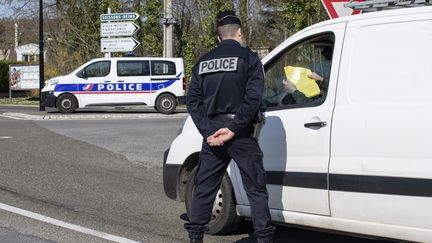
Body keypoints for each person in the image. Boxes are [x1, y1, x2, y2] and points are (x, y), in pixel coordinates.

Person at [185, 10, 276, 243]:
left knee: (205, 188)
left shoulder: (203, 62)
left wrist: (208, 131)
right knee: (255, 188)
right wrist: (234, 129)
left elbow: (193, 102)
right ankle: (264, 238)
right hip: (241, 132)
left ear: (218, 38)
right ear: (239, 33)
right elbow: (253, 99)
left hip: (213, 132)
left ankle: (195, 237)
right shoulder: (250, 58)